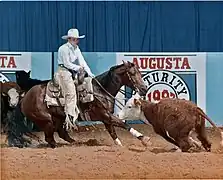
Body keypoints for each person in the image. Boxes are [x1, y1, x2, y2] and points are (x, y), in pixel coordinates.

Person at [54, 28, 95, 130]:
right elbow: (67, 63)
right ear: (70, 39)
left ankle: (83, 112)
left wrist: (90, 73)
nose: (77, 41)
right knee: (71, 93)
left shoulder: (76, 48)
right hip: (63, 72)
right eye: (76, 39)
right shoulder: (63, 49)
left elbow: (82, 61)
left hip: (72, 72)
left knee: (85, 86)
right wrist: (78, 68)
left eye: (77, 39)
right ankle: (69, 118)